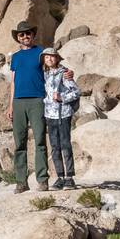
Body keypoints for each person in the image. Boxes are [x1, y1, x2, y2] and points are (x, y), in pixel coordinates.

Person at [8, 21, 48, 193]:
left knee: (39, 140)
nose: (25, 37)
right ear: (18, 38)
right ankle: (21, 182)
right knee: (19, 143)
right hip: (18, 102)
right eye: (21, 34)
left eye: (28, 33)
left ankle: (42, 180)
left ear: (33, 35)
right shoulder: (15, 57)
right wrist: (10, 106)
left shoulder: (41, 53)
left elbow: (52, 70)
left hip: (37, 100)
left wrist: (68, 74)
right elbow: (12, 82)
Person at [41, 47, 79, 189]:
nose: (49, 59)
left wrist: (62, 97)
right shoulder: (44, 74)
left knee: (65, 144)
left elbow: (76, 92)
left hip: (63, 114)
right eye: (46, 57)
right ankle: (60, 177)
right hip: (49, 115)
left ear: (57, 58)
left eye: (52, 56)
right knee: (55, 147)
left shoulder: (64, 74)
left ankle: (69, 177)